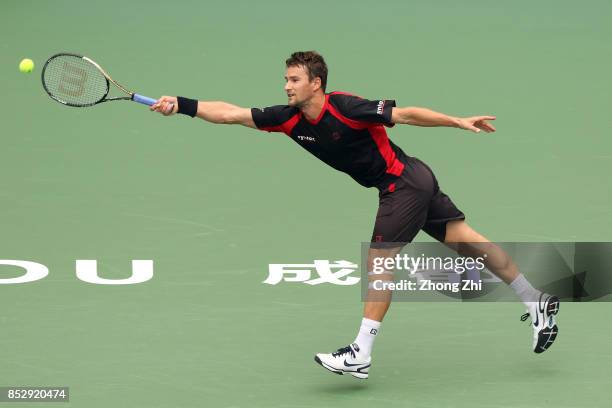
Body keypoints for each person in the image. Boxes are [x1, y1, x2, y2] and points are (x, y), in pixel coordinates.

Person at [151, 51, 560, 379]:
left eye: (294, 79)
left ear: (316, 83)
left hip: (403, 183)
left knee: (380, 261)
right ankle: (535, 298)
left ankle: (360, 353)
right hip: (412, 180)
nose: (287, 86)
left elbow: (407, 114)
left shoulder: (347, 107)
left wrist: (456, 121)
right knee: (466, 240)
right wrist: (182, 105)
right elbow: (231, 113)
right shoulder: (288, 118)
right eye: (286, 79)